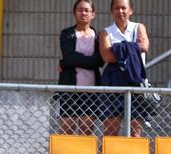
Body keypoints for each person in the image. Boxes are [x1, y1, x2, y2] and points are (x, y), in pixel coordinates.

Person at [99, 0, 151, 137]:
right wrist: (133, 48)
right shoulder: (105, 32)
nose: (120, 11)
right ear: (111, 11)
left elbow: (145, 46)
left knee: (136, 132)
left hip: (136, 82)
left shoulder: (139, 27)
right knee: (110, 130)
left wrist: (117, 48)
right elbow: (107, 57)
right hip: (113, 82)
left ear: (131, 10)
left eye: (123, 8)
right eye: (116, 8)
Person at [58, 0, 103, 135]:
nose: (83, 13)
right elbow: (70, 57)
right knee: (67, 129)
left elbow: (99, 62)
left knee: (86, 130)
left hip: (91, 90)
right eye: (80, 10)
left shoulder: (98, 37)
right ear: (74, 13)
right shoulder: (67, 34)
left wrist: (65, 63)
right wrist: (69, 61)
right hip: (69, 88)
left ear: (93, 14)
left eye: (87, 10)